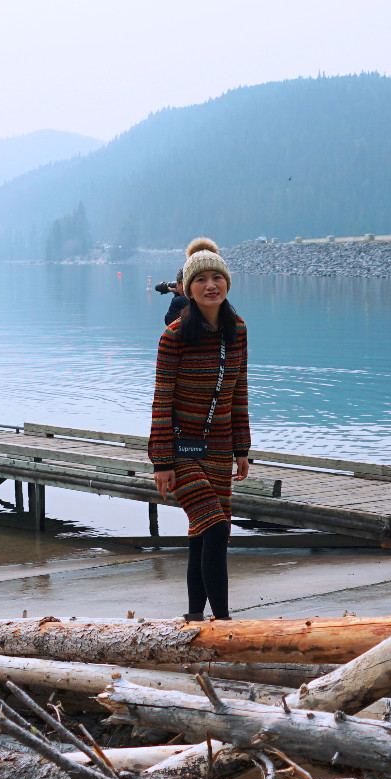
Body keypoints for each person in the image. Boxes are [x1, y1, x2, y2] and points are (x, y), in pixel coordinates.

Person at [149, 237, 250, 621]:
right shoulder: (173, 336)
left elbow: (239, 392)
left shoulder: (236, 330)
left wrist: (242, 449)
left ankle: (194, 620)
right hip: (179, 450)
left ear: (226, 283)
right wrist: (161, 462)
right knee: (214, 524)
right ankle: (224, 625)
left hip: (220, 449)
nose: (211, 285)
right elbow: (162, 401)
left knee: (206, 535)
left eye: (217, 278)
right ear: (187, 289)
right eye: (201, 280)